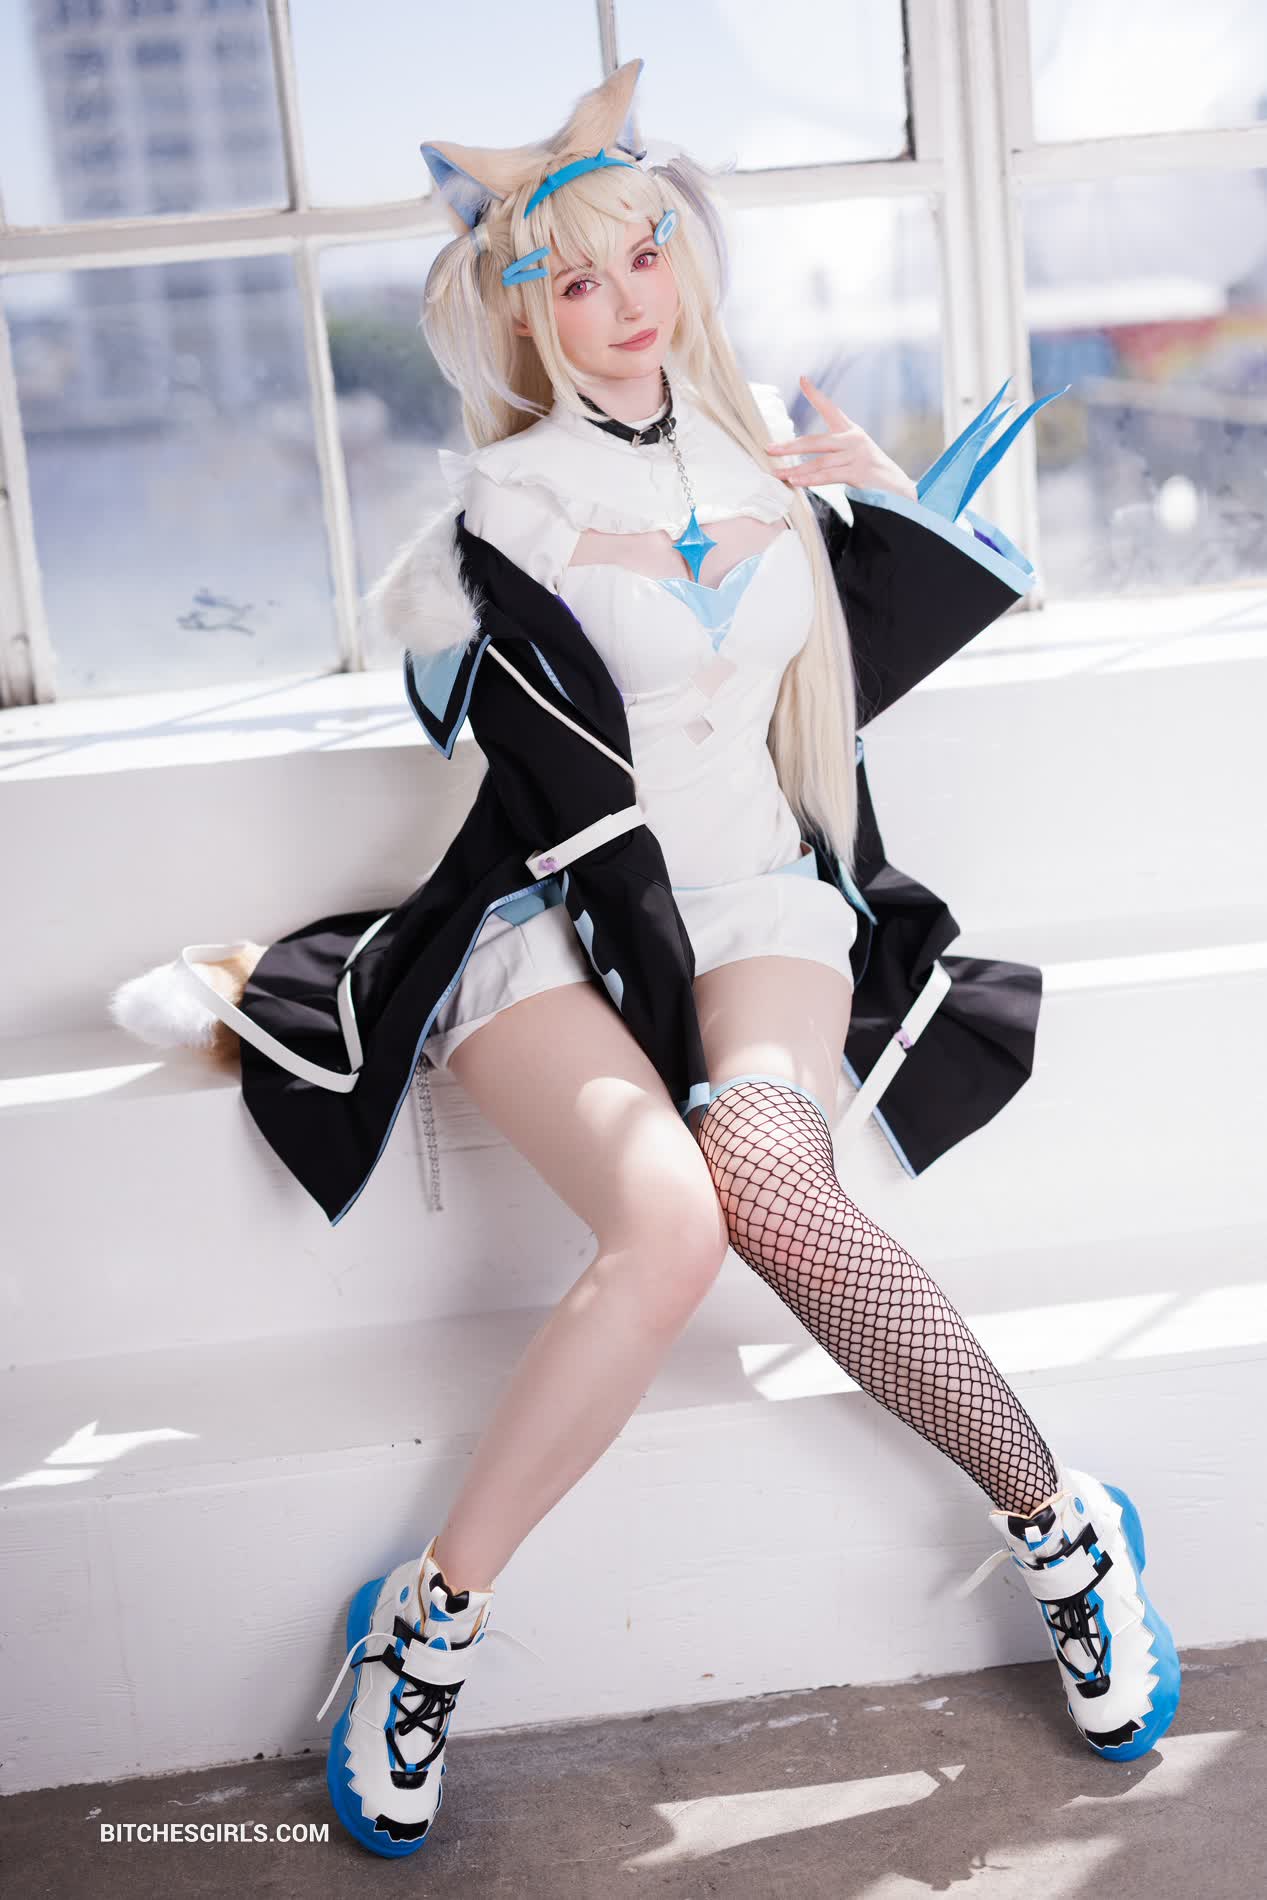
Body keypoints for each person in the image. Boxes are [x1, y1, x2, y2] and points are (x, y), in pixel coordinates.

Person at [108, 57, 1180, 1863]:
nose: (621, 305)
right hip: (556, 910)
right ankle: (426, 1626)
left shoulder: (771, 463)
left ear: (689, 257)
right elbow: (514, 747)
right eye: (575, 278)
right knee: (672, 1225)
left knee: (772, 1178)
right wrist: (469, 616)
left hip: (759, 902)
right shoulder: (500, 507)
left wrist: (883, 511)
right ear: (525, 310)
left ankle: (1065, 1529)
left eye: (645, 256)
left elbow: (835, 695)